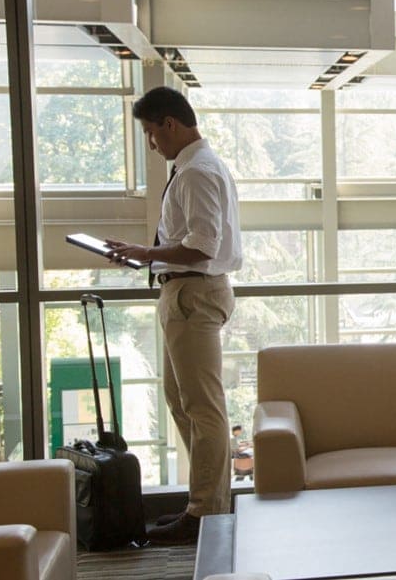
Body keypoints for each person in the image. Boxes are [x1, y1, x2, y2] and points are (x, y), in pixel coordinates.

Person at [107, 86, 241, 545]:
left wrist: (146, 253)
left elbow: (202, 247)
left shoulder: (197, 172)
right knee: (183, 400)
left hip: (194, 295)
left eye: (150, 132)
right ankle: (205, 504)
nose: (151, 143)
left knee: (203, 407)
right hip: (186, 293)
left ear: (171, 124)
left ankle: (206, 512)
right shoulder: (193, 167)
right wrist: (147, 257)